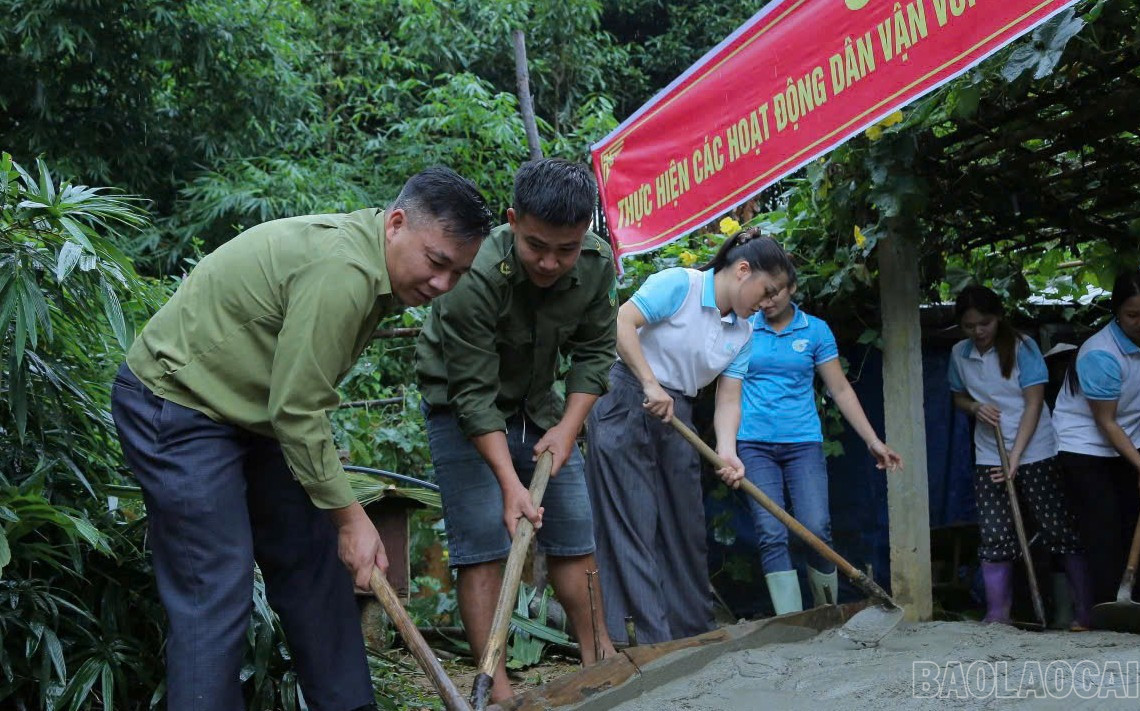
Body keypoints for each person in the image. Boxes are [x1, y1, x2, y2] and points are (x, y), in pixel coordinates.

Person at [110, 166, 493, 711]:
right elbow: (297, 411)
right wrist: (352, 519)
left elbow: (294, 403)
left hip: (254, 414)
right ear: (396, 224)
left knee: (315, 563)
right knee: (215, 586)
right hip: (177, 403)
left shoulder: (378, 267)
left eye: (458, 273)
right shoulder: (344, 271)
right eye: (436, 262)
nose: (441, 286)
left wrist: (340, 520)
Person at [416, 158, 618, 703]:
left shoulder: (597, 264)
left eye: (566, 249)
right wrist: (510, 484)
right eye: (536, 246)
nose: (550, 262)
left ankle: (598, 663)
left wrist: (568, 429)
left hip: (538, 405)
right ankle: (497, 689)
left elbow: (595, 353)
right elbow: (472, 395)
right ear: (512, 220)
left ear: (585, 234)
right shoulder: (474, 273)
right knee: (484, 541)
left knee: (574, 534)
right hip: (460, 406)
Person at [584, 227, 792, 645]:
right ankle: (649, 640)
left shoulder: (743, 332)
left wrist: (727, 451)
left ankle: (691, 633)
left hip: (676, 413)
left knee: (685, 525)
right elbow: (623, 322)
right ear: (743, 270)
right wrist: (649, 383)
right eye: (767, 291)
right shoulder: (681, 284)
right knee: (633, 519)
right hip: (626, 398)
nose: (769, 303)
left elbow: (728, 399)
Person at [737, 261, 902, 616]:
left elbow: (840, 389)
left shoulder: (815, 330)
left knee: (816, 528)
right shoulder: (744, 327)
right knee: (770, 532)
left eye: (775, 293)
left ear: (792, 288)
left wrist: (873, 440)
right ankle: (792, 622)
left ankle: (825, 615)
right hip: (753, 444)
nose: (767, 301)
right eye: (762, 294)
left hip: (803, 444)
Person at [949, 285, 1090, 628]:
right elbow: (958, 397)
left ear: (998, 317)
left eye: (984, 323)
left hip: (1036, 449)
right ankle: (998, 614)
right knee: (995, 533)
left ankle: (1083, 613)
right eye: (969, 326)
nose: (977, 332)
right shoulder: (959, 353)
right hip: (989, 453)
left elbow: (1034, 402)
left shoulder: (1023, 347)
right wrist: (975, 407)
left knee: (1058, 529)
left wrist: (1015, 457)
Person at [1053, 270, 1140, 608]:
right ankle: (1107, 608)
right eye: (1133, 315)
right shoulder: (1100, 354)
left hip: (1130, 436)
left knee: (1139, 520)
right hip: (1084, 446)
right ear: (1116, 313)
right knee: (1105, 527)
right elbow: (1106, 422)